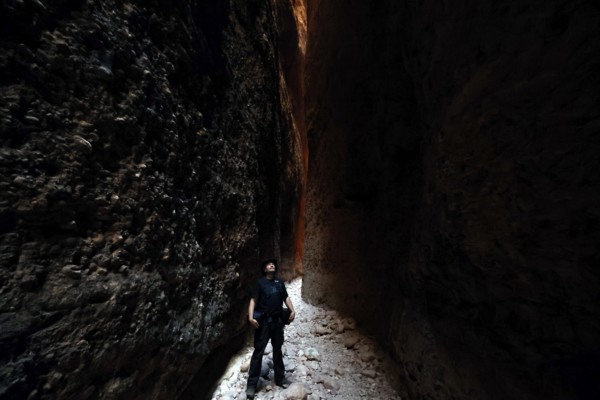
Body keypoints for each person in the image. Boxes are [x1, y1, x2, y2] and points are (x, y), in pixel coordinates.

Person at [246, 258, 295, 399]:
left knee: (278, 350)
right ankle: (251, 385)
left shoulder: (280, 283)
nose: (271, 265)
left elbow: (286, 297)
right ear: (264, 269)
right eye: (268, 264)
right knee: (258, 352)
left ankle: (280, 379)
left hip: (278, 321)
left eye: (273, 264)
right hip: (264, 323)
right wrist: (250, 317)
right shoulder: (260, 283)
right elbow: (253, 300)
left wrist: (293, 310)